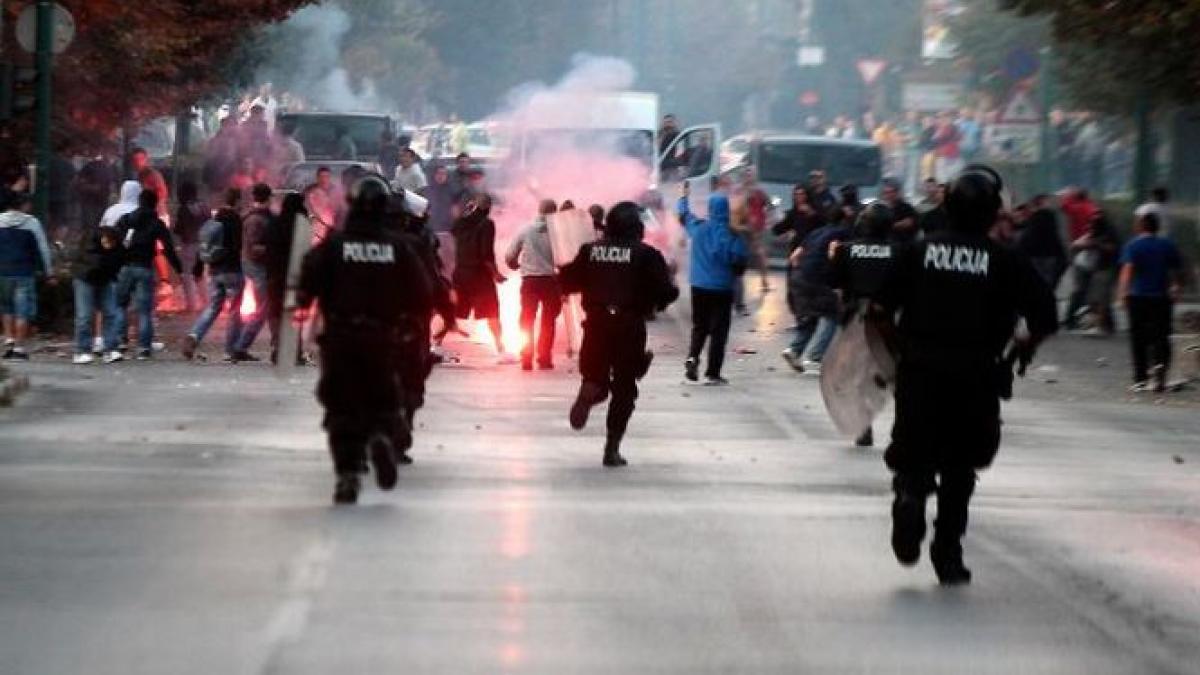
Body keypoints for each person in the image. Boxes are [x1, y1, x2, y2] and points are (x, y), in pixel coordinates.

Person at [879, 167, 1057, 586]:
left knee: (913, 452)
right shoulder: (1005, 261)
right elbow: (1045, 316)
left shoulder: (917, 252)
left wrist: (902, 352)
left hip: (919, 373)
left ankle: (909, 497)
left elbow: (878, 312)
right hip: (976, 376)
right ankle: (948, 552)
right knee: (960, 467)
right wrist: (1022, 348)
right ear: (994, 212)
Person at [296, 176, 435, 504]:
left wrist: (303, 302)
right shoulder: (399, 247)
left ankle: (347, 474)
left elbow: (306, 281)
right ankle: (380, 439)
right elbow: (422, 292)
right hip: (382, 339)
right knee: (384, 398)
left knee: (340, 407)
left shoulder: (334, 245)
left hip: (341, 339)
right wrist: (410, 325)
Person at [560, 201, 679, 467]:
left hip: (596, 323)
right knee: (625, 387)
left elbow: (567, 281)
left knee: (595, 376)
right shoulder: (646, 254)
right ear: (636, 227)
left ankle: (591, 389)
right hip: (628, 324)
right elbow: (666, 292)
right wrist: (658, 301)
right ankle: (611, 447)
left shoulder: (590, 251)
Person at [829, 203, 899, 446]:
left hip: (855, 318)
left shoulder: (845, 250)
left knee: (856, 374)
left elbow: (835, 284)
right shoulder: (899, 251)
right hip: (887, 319)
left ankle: (863, 427)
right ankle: (903, 427)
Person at [677, 181, 749, 384]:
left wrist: (683, 196)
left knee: (699, 326)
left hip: (698, 286)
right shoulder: (732, 235)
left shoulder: (698, 227)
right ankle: (712, 372)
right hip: (722, 288)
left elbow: (684, 216)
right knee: (719, 331)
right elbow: (739, 259)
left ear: (709, 209)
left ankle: (692, 358)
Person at [781, 207, 853, 375]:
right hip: (818, 278)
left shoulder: (816, 232)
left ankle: (794, 350)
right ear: (844, 220)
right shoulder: (843, 233)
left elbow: (794, 257)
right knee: (832, 315)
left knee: (812, 314)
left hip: (799, 276)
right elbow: (833, 253)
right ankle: (814, 358)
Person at [1117, 212, 1184, 393]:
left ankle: (1140, 378)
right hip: (1161, 298)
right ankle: (1160, 376)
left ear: (1140, 226)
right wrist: (1176, 288)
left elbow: (1128, 271)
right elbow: (1176, 272)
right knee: (1161, 337)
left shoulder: (1133, 246)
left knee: (1139, 339)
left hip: (1138, 297)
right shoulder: (1168, 245)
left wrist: (1122, 294)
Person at [113, 190, 183, 360]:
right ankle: (143, 347)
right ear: (154, 204)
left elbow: (114, 239)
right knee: (144, 310)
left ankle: (120, 341)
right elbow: (168, 248)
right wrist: (178, 268)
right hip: (144, 267)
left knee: (120, 305)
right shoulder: (157, 223)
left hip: (125, 267)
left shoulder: (126, 219)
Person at [182, 189, 245, 362]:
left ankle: (194, 335)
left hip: (214, 271)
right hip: (232, 271)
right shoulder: (235, 219)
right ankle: (229, 350)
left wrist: (198, 267)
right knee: (234, 311)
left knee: (212, 308)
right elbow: (237, 246)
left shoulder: (214, 218)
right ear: (237, 201)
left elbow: (204, 245)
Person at [446, 193, 511, 361]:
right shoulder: (487, 224)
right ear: (488, 208)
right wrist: (495, 274)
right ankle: (501, 349)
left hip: (461, 273)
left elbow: (452, 231)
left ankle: (435, 342)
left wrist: (466, 212)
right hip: (479, 275)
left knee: (453, 311)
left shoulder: (462, 222)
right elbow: (486, 254)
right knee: (492, 312)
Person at [506, 199, 563, 371]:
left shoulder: (525, 230)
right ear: (554, 213)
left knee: (526, 320)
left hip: (529, 281)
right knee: (548, 321)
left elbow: (510, 255)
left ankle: (526, 358)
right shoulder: (558, 233)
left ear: (539, 210)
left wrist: (515, 265)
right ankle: (544, 358)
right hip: (550, 281)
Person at [0, 193, 52, 361]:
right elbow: (43, 248)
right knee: (23, 310)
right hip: (24, 272)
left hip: (3, 271)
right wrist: (49, 272)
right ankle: (19, 347)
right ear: (22, 205)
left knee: (7, 306)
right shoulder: (32, 222)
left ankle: (9, 337)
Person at [231, 183, 275, 360]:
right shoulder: (257, 219)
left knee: (267, 308)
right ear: (269, 197)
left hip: (253, 265)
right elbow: (253, 248)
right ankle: (240, 347)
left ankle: (241, 346)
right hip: (257, 267)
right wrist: (274, 249)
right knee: (264, 309)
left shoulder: (253, 216)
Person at [69, 225, 124, 364]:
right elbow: (92, 262)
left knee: (110, 313)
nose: (108, 246)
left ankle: (110, 348)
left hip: (104, 279)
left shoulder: (115, 248)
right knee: (84, 316)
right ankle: (82, 350)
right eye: (106, 242)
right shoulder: (90, 245)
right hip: (85, 278)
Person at [1067, 210, 1120, 335]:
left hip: (1106, 268)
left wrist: (1096, 244)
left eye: (1094, 222)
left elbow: (1112, 248)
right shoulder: (1094, 233)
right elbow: (1075, 245)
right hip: (1096, 268)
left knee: (1101, 298)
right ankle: (1106, 324)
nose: (1091, 225)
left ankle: (1102, 325)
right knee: (1099, 298)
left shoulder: (1108, 234)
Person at [1016, 195, 1068, 290]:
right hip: (1050, 256)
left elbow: (1027, 239)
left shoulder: (1033, 220)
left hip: (1036, 257)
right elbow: (1057, 238)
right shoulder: (1049, 216)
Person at [174, 182, 209, 313]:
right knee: (200, 274)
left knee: (188, 275)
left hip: (189, 245)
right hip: (204, 244)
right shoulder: (204, 206)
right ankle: (207, 303)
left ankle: (191, 305)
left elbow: (178, 229)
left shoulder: (184, 208)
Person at [75, 154, 115, 230]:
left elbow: (111, 184)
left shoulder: (109, 169)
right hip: (92, 200)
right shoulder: (91, 166)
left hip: (99, 199)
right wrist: (91, 187)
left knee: (95, 222)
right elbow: (79, 182)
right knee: (91, 222)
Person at [879, 178, 919, 244]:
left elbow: (910, 222)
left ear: (897, 193)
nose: (889, 195)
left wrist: (892, 226)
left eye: (891, 192)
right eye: (886, 193)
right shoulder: (880, 208)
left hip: (903, 243)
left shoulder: (906, 208)